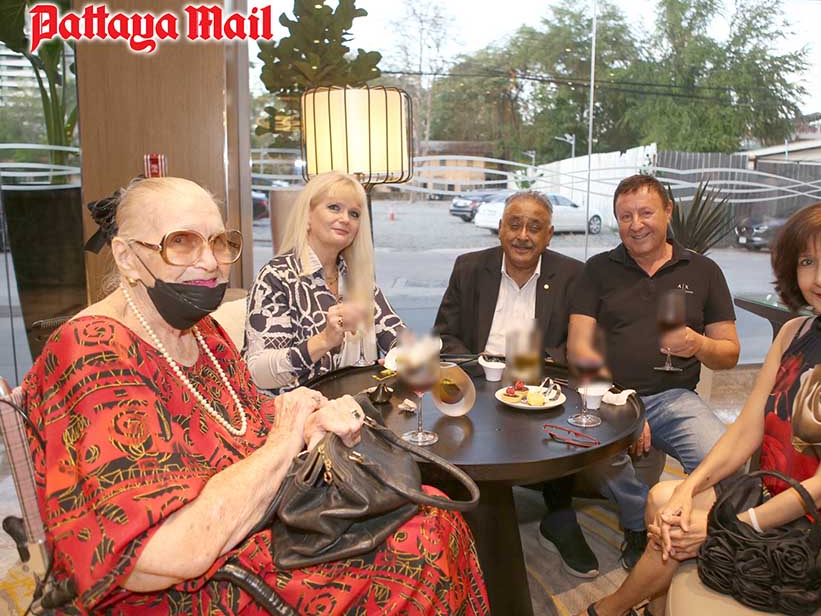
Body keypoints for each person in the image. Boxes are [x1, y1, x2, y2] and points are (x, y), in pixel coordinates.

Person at [19, 177, 489, 615]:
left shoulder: (203, 332)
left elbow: (249, 412)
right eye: (181, 241)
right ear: (125, 257)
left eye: (219, 242)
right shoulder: (94, 350)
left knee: (428, 508)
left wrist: (310, 416)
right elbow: (161, 556)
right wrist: (289, 431)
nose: (209, 262)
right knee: (423, 541)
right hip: (188, 584)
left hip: (253, 518)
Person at [580, 199, 821, 616]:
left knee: (682, 527)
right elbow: (745, 429)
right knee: (667, 500)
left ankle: (607, 610)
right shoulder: (795, 332)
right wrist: (689, 487)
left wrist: (723, 528)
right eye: (807, 262)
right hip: (775, 498)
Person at [568, 174, 741, 569]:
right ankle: (637, 522)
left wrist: (698, 344)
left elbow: (729, 353)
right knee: (595, 449)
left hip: (674, 397)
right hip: (608, 396)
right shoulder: (597, 270)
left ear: (668, 211)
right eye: (625, 216)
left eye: (646, 213)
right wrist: (621, 400)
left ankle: (702, 535)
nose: (636, 224)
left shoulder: (703, 271)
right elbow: (579, 348)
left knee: (725, 462)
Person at [433, 190, 597, 577]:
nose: (523, 235)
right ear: (500, 228)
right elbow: (444, 336)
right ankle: (461, 520)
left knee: (563, 421)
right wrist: (482, 370)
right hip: (478, 379)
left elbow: (575, 344)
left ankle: (560, 516)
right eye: (515, 224)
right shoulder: (469, 267)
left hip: (539, 382)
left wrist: (533, 368)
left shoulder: (572, 274)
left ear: (549, 235)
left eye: (534, 227)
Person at [245, 172, 405, 395]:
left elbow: (397, 336)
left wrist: (403, 357)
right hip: (294, 412)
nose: (345, 219)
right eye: (334, 207)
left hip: (354, 407)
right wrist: (324, 340)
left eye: (354, 213)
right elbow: (259, 373)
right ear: (308, 215)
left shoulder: (357, 279)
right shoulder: (276, 277)